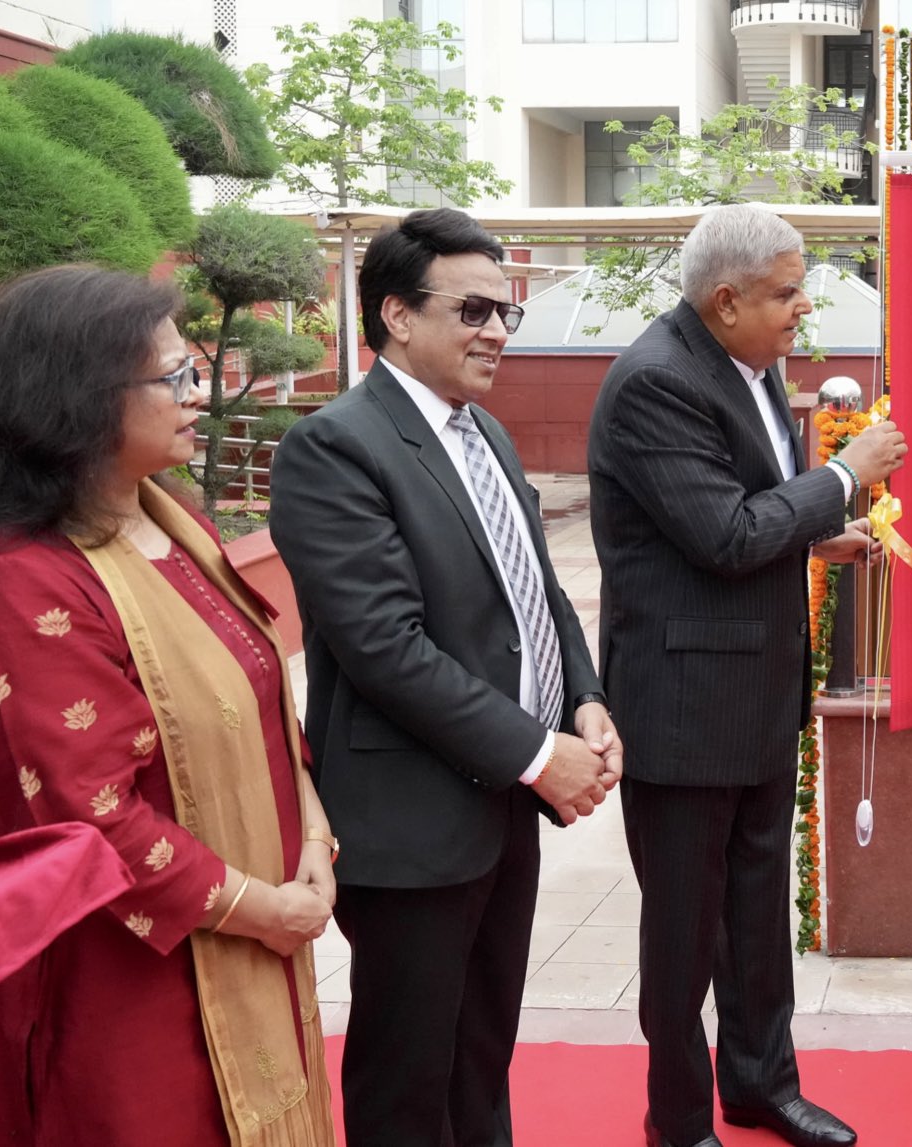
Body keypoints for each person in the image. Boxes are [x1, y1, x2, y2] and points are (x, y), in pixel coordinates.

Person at [0, 265, 335, 1146]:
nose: (195, 393)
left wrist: (313, 839)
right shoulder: (17, 580)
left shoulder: (168, 519)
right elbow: (90, 814)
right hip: (127, 975)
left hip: (253, 923)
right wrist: (259, 908)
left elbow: (262, 698)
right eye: (172, 378)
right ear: (72, 400)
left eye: (193, 369)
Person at [270, 208, 620, 1147]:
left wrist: (582, 698)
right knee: (406, 1079)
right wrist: (534, 751)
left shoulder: (485, 434)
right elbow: (384, 645)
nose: (497, 331)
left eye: (505, 311)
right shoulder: (337, 446)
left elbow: (535, 592)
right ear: (395, 314)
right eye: (472, 310)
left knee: (480, 1057)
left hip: (503, 806)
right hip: (411, 818)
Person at [588, 204, 905, 1147]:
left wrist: (820, 530)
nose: (803, 308)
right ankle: (679, 1121)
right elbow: (724, 535)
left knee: (759, 918)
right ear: (723, 300)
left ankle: (762, 1083)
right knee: (685, 938)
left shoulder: (752, 366)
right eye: (786, 291)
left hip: (760, 695)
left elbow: (754, 507)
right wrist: (845, 477)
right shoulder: (656, 381)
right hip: (685, 709)